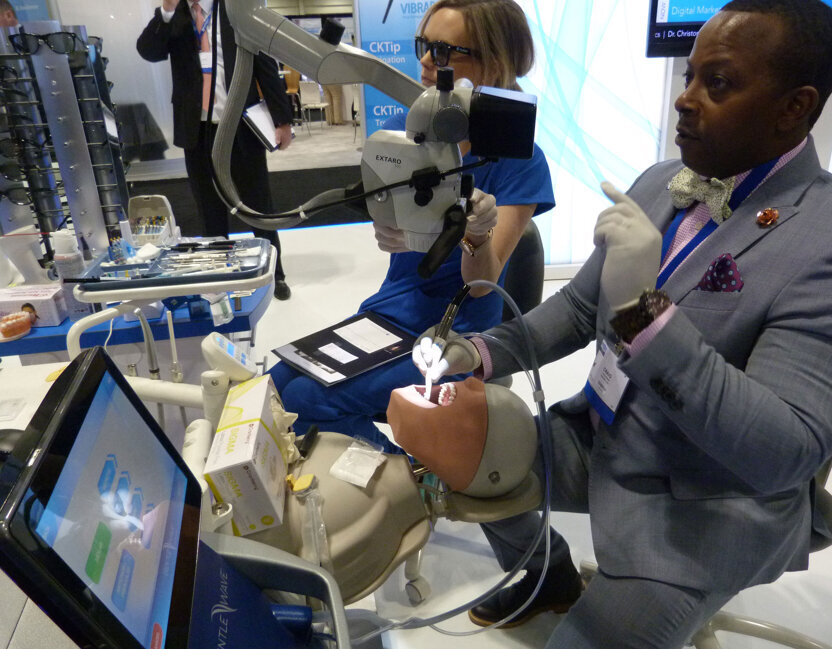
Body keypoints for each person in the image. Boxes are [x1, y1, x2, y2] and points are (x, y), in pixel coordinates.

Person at [413, 1, 832, 646]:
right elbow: (574, 310)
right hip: (601, 436)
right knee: (453, 451)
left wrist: (643, 315)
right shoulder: (663, 182)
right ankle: (549, 576)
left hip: (702, 504)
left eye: (718, 83)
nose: (685, 100)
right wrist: (479, 354)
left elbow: (782, 452)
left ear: (794, 108)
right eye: (689, 77)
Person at [269, 0, 554, 452]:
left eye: (442, 51)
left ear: (493, 60)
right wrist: (391, 228)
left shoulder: (522, 162)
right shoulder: (406, 132)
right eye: (423, 45)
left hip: (457, 334)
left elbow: (481, 287)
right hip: (390, 313)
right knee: (273, 388)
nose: (424, 61)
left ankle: (413, 488)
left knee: (305, 402)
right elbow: (391, 233)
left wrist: (475, 235)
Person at [137, 0, 293, 300]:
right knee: (209, 207)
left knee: (258, 204)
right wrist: (166, 12)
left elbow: (263, 63)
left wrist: (282, 118)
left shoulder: (237, 9)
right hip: (197, 129)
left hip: (239, 123)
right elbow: (149, 50)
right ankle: (220, 275)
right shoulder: (175, 16)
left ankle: (275, 273)